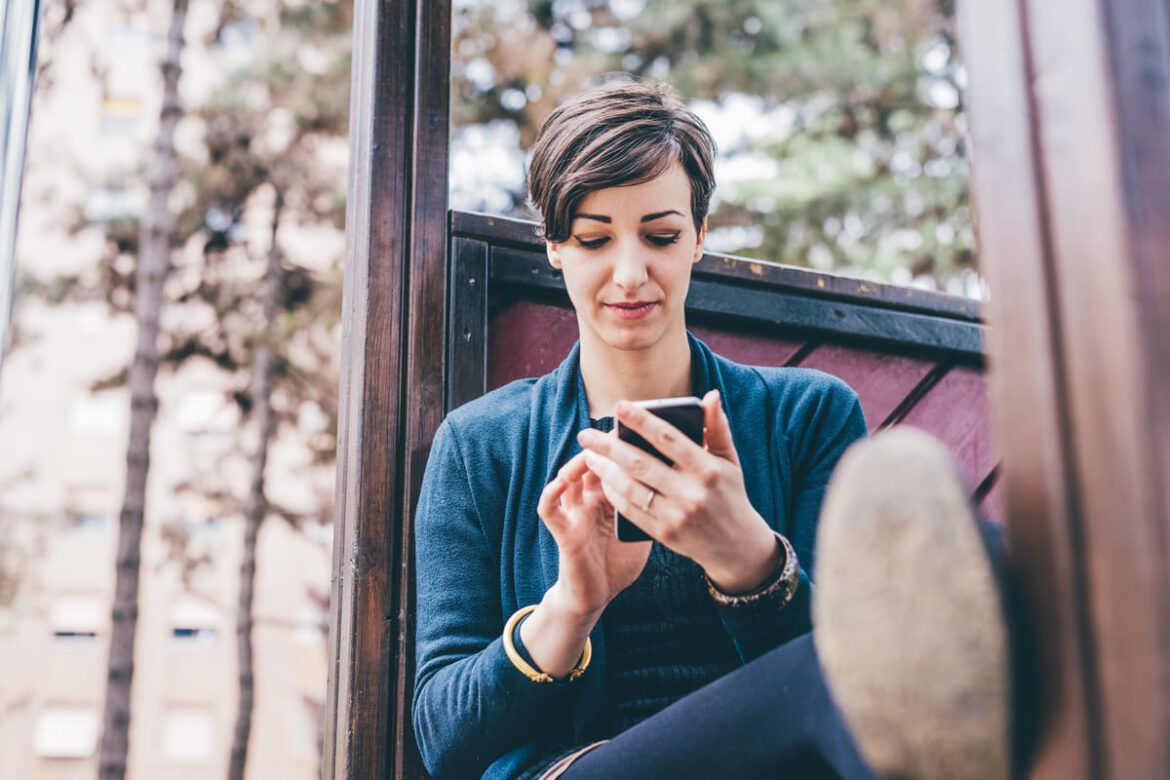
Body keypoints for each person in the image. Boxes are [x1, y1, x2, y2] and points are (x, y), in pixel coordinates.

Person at [411, 79, 1015, 780]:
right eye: (594, 238)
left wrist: (749, 562)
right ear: (555, 247)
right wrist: (571, 606)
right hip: (580, 769)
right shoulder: (480, 445)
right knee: (850, 665)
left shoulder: (808, 416)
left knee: (982, 568)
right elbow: (443, 740)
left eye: (660, 236)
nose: (630, 272)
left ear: (699, 236)